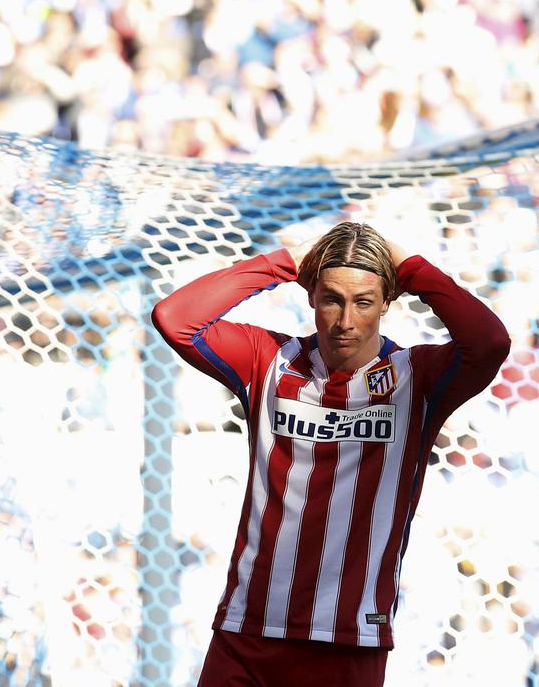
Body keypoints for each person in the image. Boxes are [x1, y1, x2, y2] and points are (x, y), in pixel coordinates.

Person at [152, 221, 510, 686]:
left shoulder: (417, 376)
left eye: (363, 302)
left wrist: (412, 269)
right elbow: (175, 318)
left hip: (348, 640)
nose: (345, 321)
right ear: (310, 296)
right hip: (248, 630)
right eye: (332, 299)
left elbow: (490, 342)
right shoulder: (268, 360)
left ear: (387, 301)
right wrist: (285, 262)